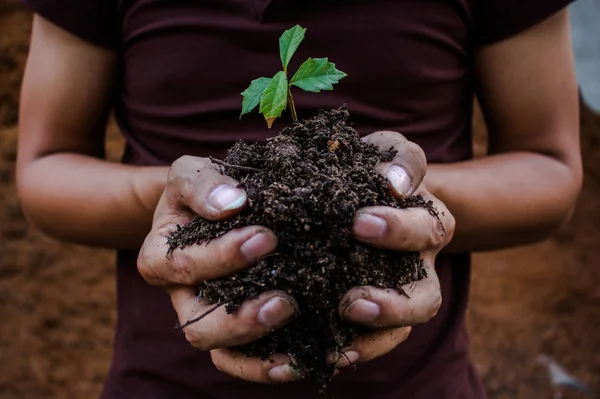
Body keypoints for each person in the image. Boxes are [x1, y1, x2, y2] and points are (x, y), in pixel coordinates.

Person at [15, 0, 582, 398]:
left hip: (415, 384)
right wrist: (185, 204)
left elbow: (548, 164)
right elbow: (45, 166)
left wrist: (406, 205)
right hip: (167, 380)